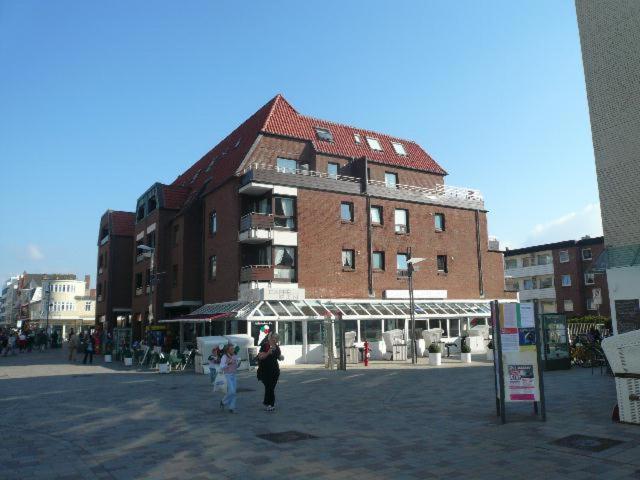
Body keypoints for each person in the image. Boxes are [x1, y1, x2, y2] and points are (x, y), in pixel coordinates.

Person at [257, 332, 283, 412]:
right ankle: (270, 404)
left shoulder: (277, 347)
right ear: (270, 338)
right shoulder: (265, 345)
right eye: (273, 338)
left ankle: (267, 403)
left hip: (275, 370)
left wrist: (281, 357)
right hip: (265, 370)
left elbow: (278, 356)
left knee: (271, 387)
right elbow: (260, 357)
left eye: (276, 338)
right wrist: (268, 353)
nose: (275, 340)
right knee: (269, 387)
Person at [219, 344, 240, 413]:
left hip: (234, 375)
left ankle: (232, 408)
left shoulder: (235, 356)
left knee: (234, 392)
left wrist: (238, 363)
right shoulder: (224, 357)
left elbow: (236, 366)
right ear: (227, 350)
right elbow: (221, 366)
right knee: (232, 391)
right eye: (231, 349)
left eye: (233, 349)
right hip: (227, 375)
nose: (233, 350)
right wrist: (228, 363)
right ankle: (223, 401)